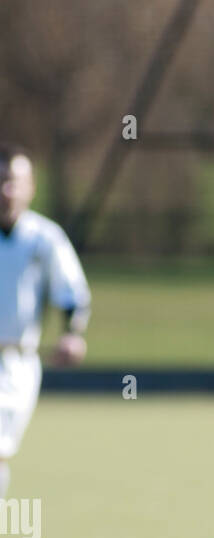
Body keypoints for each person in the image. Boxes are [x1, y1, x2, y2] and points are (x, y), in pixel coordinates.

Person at [0, 143, 90, 499]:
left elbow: (71, 292)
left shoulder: (44, 238)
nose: (7, 190)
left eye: (14, 181)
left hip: (15, 365)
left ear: (30, 187)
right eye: (1, 181)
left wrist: (72, 334)